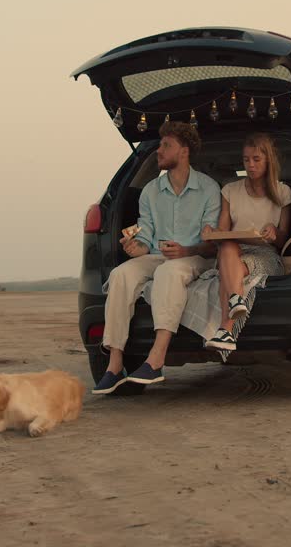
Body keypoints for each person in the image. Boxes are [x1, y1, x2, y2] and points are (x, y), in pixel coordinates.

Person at [93, 121, 221, 394]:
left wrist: (186, 251)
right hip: (158, 256)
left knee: (169, 272)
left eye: (166, 145)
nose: (158, 151)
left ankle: (156, 359)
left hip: (194, 258)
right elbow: (145, 236)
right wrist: (134, 247)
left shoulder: (209, 189)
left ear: (184, 151)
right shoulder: (151, 191)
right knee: (121, 274)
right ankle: (114, 366)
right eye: (160, 144)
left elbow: (212, 245)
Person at [201, 133, 291, 351]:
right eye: (246, 160)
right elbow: (223, 232)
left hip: (266, 254)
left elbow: (283, 240)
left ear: (268, 160)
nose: (250, 165)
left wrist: (274, 232)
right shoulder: (230, 190)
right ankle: (235, 303)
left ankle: (227, 328)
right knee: (226, 245)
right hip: (233, 251)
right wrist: (210, 231)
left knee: (228, 268)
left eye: (256, 159)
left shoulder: (283, 192)